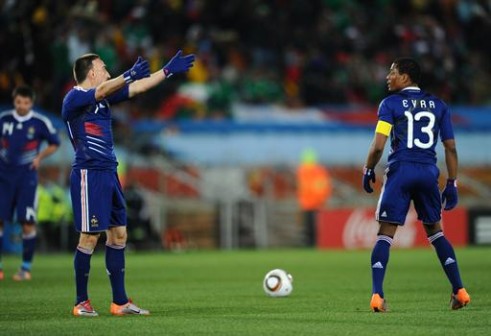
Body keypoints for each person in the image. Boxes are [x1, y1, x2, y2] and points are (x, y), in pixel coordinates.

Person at [62, 50, 195, 317]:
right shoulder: (74, 97)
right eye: (103, 68)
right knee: (89, 237)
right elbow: (101, 91)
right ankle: (81, 302)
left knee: (119, 234)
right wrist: (127, 74)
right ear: (91, 73)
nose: (107, 72)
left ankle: (120, 302)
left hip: (110, 173)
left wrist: (166, 71)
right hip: (89, 173)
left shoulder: (103, 98)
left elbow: (137, 88)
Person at [362, 57, 470, 312]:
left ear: (406, 77)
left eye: (392, 72)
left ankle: (377, 295)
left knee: (385, 234)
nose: (388, 77)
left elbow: (379, 144)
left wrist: (368, 168)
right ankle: (460, 291)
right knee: (436, 232)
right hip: (428, 172)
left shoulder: (390, 104)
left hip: (401, 170)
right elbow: (450, 148)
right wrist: (452, 182)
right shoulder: (439, 106)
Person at [0, 85, 60, 281]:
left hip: (27, 178)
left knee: (27, 221)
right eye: (19, 102)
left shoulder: (39, 122)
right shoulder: (4, 119)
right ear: (14, 100)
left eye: (26, 103)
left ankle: (25, 268)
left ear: (31, 103)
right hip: (4, 177)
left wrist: (39, 157)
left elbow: (55, 143)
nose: (22, 106)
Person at [296, 148, 331, 246]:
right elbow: (323, 187)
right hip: (312, 204)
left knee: (312, 227)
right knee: (311, 227)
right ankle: (312, 243)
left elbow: (304, 188)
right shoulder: (317, 172)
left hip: (311, 204)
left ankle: (312, 243)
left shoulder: (303, 172)